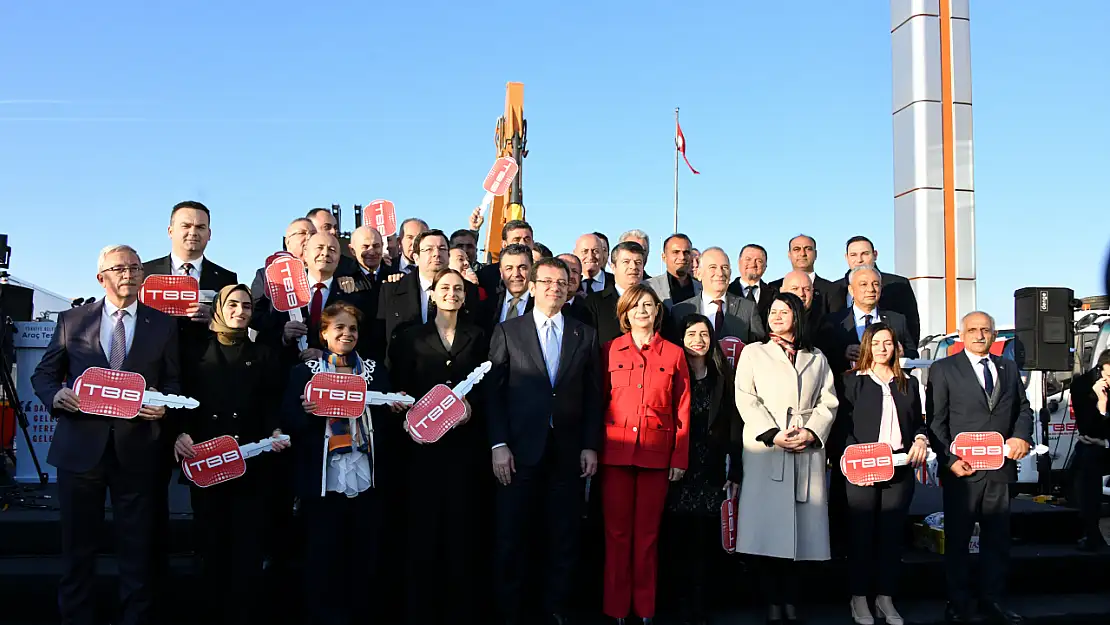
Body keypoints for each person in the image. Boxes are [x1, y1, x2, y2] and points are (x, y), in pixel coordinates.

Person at [31, 244, 180, 625]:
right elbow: (44, 375)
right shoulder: (71, 321)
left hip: (138, 450)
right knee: (78, 551)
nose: (128, 273)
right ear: (101, 277)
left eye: (134, 267)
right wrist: (56, 395)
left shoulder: (162, 324)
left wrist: (163, 405)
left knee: (137, 551)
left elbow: (173, 380)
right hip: (80, 450)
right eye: (119, 268)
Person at [487, 257, 603, 625]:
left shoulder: (584, 334)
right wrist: (498, 444)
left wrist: (589, 444)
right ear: (533, 286)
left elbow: (593, 394)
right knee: (513, 536)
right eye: (547, 281)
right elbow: (493, 394)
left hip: (567, 452)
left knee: (563, 537)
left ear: (571, 287)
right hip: (519, 451)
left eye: (562, 281)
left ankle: (556, 609)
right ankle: (511, 611)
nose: (555, 287)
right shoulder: (508, 331)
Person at [281, 302, 406, 625]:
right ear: (323, 333)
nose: (346, 333)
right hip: (323, 478)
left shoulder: (375, 371)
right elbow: (289, 421)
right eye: (338, 327)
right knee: (323, 557)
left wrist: (393, 407)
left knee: (365, 556)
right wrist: (307, 412)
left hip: (366, 473)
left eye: (352, 328)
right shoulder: (304, 373)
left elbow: (387, 423)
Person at [172, 284, 288, 625]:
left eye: (247, 306)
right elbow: (182, 399)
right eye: (233, 304)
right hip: (205, 461)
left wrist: (277, 429)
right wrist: (179, 432)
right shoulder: (192, 352)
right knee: (211, 546)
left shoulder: (265, 354)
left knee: (248, 549)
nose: (240, 311)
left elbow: (272, 403)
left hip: (250, 463)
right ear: (219, 308)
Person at [389, 269, 491, 624]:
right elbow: (398, 383)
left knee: (462, 531)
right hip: (421, 451)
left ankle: (459, 609)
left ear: (465, 296)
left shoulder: (478, 336)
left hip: (464, 448)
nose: (451, 293)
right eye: (444, 288)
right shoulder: (409, 337)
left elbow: (487, 385)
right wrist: (403, 408)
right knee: (422, 530)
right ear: (431, 294)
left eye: (458, 289)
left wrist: (471, 410)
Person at [733, 292, 838, 624]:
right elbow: (745, 398)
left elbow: (828, 400)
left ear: (797, 316)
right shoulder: (754, 353)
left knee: (802, 533)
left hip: (805, 450)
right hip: (767, 451)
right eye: (772, 311)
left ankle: (792, 601)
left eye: (784, 311)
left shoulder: (816, 357)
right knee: (767, 530)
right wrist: (772, 433)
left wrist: (812, 431)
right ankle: (771, 603)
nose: (777, 316)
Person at [926, 311, 1033, 625]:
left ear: (995, 334)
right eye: (972, 330)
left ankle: (994, 602)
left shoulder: (1008, 368)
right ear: (961, 335)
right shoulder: (944, 369)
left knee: (997, 541)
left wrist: (1020, 437)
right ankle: (958, 603)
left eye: (985, 330)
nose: (979, 335)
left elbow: (1022, 408)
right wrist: (949, 460)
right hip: (963, 471)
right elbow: (936, 421)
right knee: (958, 541)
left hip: (999, 469)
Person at [599, 285, 691, 625]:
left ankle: (645, 609)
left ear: (657, 312)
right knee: (617, 534)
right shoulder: (609, 350)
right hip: (616, 454)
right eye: (635, 305)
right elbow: (598, 403)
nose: (642, 311)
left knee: (648, 536)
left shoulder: (674, 354)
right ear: (625, 312)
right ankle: (617, 609)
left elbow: (682, 410)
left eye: (648, 305)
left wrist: (678, 458)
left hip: (656, 455)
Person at [833, 323, 928, 625]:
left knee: (891, 537)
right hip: (862, 471)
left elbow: (918, 423)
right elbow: (841, 429)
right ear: (866, 346)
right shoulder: (850, 381)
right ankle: (858, 598)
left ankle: (885, 599)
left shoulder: (908, 383)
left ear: (897, 347)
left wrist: (921, 439)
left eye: (888, 343)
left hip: (898, 469)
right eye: (876, 343)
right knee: (861, 536)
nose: (882, 349)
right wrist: (862, 461)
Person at [664, 314, 742, 625]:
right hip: (677, 467)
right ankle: (676, 603)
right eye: (691, 333)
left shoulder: (722, 378)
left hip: (710, 470)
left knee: (703, 542)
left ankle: (700, 606)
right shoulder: (672, 373)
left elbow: (735, 427)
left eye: (704, 334)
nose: (698, 339)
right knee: (676, 538)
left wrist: (734, 470)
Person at [819, 265, 918, 377]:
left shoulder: (897, 320)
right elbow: (822, 357)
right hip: (846, 389)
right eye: (863, 284)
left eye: (875, 284)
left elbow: (913, 355)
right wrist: (843, 353)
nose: (871, 289)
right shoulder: (833, 322)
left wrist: (901, 353)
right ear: (851, 290)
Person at [827, 236, 921, 350]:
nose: (859, 260)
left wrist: (905, 355)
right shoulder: (834, 289)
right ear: (846, 257)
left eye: (865, 253)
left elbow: (912, 327)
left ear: (875, 255)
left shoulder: (898, 285)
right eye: (853, 255)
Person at [670, 247, 765, 344]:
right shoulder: (680, 311)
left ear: (730, 273)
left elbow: (759, 349)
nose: (720, 273)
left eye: (725, 267)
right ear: (699, 274)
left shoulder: (748, 308)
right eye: (712, 267)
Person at [1070, 348, 1110, 551]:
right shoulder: (1083, 385)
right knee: (1086, 460)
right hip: (1094, 443)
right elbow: (1089, 428)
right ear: (1101, 371)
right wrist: (1102, 405)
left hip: (1104, 442)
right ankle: (1091, 533)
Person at [584, 240, 648, 345]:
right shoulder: (594, 303)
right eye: (626, 262)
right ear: (613, 267)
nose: (633, 267)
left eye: (638, 262)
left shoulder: (653, 304)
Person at [767, 234, 836, 314]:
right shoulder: (774, 287)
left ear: (815, 254)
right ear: (789, 254)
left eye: (808, 249)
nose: (802, 253)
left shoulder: (831, 289)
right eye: (797, 249)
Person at [643, 234, 700, 309]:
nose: (682, 257)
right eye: (676, 252)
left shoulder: (701, 288)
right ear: (664, 257)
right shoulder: (649, 287)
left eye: (686, 252)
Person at [727, 244, 773, 315]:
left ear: (765, 265)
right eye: (748, 259)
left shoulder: (774, 294)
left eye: (759, 261)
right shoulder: (726, 291)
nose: (753, 264)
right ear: (739, 262)